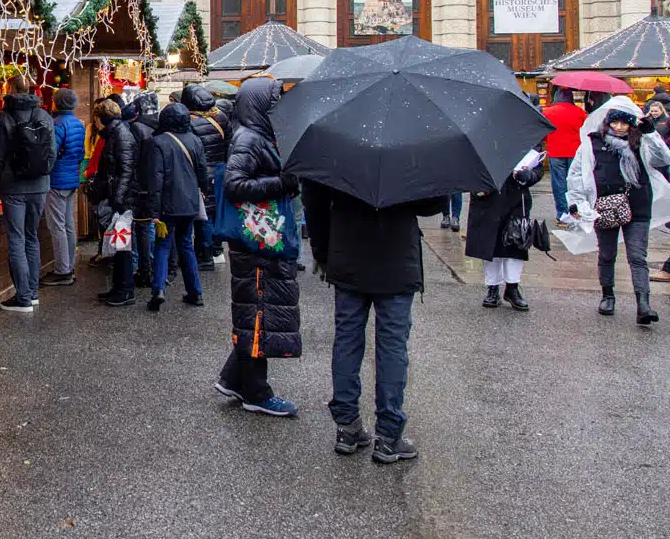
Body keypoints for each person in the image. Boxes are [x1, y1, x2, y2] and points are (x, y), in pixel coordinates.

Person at [305, 182, 445, 463]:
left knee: (347, 339)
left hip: (348, 255)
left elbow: (314, 199)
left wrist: (323, 252)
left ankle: (347, 427)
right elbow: (433, 203)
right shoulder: (410, 144)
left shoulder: (337, 144)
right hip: (396, 259)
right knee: (392, 347)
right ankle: (389, 434)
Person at [217, 77, 302, 417]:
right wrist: (283, 182)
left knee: (256, 307)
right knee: (258, 309)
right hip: (256, 241)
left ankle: (234, 377)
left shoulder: (259, 134)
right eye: (273, 101)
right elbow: (235, 184)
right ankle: (256, 391)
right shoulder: (249, 138)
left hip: (263, 236)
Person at [568, 105, 668, 325]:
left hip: (638, 205)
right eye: (615, 122)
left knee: (637, 257)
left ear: (632, 124)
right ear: (607, 122)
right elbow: (576, 173)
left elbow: (663, 159)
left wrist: (652, 133)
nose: (620, 127)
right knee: (606, 254)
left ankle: (643, 304)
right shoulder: (592, 142)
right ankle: (608, 296)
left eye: (625, 123)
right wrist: (576, 203)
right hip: (604, 206)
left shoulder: (641, 141)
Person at [0, 74, 58, 314]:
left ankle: (23, 298)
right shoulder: (45, 116)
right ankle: (33, 292)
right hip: (39, 185)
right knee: (31, 237)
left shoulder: (4, 117)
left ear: (10, 89)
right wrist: (44, 174)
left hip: (13, 187)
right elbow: (52, 152)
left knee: (16, 239)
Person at [141, 104, 214, 310]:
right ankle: (195, 292)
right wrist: (203, 193)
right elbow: (203, 173)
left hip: (167, 204)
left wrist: (153, 211)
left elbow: (156, 180)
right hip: (190, 202)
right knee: (186, 245)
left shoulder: (158, 142)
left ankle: (158, 290)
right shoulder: (195, 140)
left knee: (163, 245)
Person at [465, 152, 545, 311]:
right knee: (490, 244)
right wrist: (478, 186)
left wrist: (529, 176)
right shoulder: (480, 140)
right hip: (487, 198)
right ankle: (492, 288)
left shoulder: (525, 139)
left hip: (516, 199)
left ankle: (512, 287)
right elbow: (468, 168)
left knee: (515, 243)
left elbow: (538, 169)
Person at [90, 99, 140, 306]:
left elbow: (126, 170)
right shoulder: (116, 132)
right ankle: (119, 287)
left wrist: (117, 199)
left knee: (122, 245)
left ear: (101, 118)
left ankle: (125, 290)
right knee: (119, 244)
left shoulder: (120, 135)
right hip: (116, 196)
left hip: (120, 200)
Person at [41, 88, 86, 287]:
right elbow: (79, 153)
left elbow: (51, 152)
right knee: (68, 224)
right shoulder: (77, 123)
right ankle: (69, 265)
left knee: (57, 225)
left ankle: (63, 270)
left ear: (57, 103)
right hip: (71, 178)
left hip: (57, 179)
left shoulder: (57, 124)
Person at [183, 84, 231, 269]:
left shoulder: (190, 121)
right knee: (215, 210)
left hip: (200, 171)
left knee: (204, 213)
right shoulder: (220, 116)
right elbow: (229, 142)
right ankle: (215, 248)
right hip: (220, 169)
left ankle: (205, 254)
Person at [124, 93, 160, 288]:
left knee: (142, 228)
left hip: (141, 185)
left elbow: (132, 159)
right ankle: (153, 267)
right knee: (150, 227)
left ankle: (144, 271)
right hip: (156, 184)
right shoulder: (160, 126)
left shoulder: (137, 128)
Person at [543, 88, 587, 225]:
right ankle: (576, 212)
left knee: (559, 184)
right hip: (575, 151)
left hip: (555, 151)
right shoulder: (580, 112)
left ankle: (562, 215)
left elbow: (543, 133)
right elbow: (585, 132)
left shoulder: (547, 112)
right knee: (575, 184)